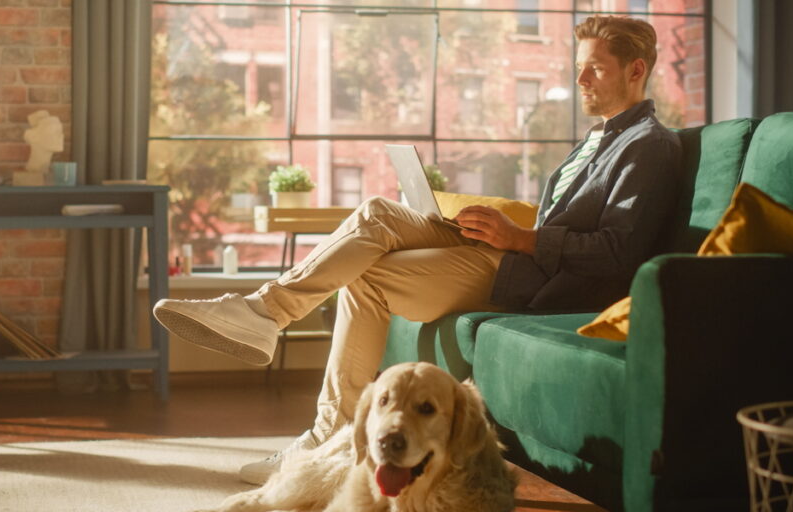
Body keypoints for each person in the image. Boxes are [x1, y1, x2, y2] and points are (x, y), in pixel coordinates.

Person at [152, 15, 682, 485]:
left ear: (636, 71)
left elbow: (618, 252)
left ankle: (325, 437)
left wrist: (519, 238)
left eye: (596, 69)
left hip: (535, 281)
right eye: (580, 66)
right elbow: (562, 222)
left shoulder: (649, 146)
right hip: (517, 254)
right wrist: (489, 227)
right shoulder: (598, 138)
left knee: (370, 279)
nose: (580, 78)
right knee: (377, 213)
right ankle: (261, 312)